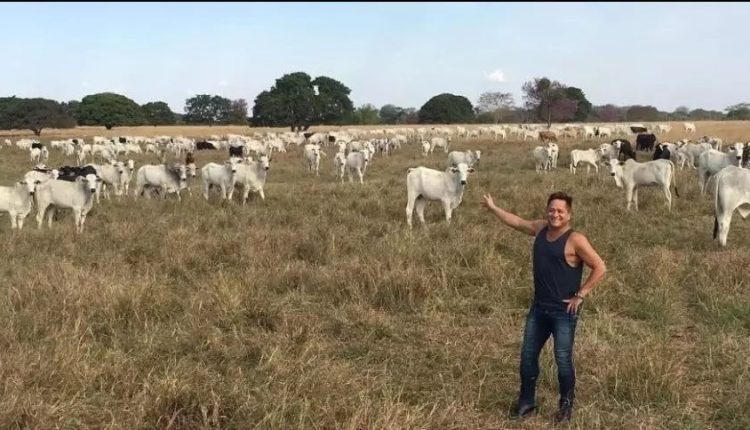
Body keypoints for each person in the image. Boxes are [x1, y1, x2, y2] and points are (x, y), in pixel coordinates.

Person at [480, 191, 606, 423]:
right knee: (528, 357)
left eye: (560, 211)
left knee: (563, 360)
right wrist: (494, 208)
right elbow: (517, 222)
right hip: (538, 310)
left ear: (569, 215)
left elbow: (599, 267)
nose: (554, 214)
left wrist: (581, 294)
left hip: (563, 313)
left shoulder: (575, 239)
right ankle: (526, 403)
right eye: (551, 209)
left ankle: (565, 406)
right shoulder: (540, 229)